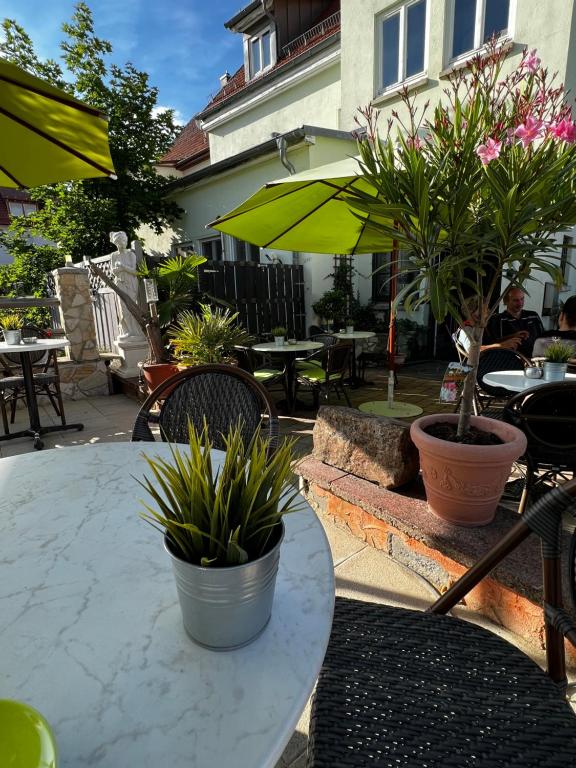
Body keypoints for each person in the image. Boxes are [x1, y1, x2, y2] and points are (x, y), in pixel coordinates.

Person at [485, 286, 544, 358]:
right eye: (515, 300)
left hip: (535, 359)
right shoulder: (498, 319)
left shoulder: (533, 316)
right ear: (506, 301)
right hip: (510, 360)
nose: (520, 303)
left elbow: (543, 337)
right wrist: (512, 337)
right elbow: (493, 344)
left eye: (522, 299)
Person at [456, 296, 524, 357]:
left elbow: (491, 343)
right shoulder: (466, 330)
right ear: (473, 313)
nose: (488, 311)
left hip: (492, 360)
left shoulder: (480, 327)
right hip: (482, 367)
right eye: (484, 309)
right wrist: (502, 345)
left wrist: (512, 336)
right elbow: (473, 351)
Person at [109, 231, 143, 339]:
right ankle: (127, 331)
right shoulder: (113, 255)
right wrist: (117, 269)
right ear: (116, 243)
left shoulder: (130, 254)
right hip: (120, 282)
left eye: (124, 241)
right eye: (120, 241)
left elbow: (134, 271)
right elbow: (112, 271)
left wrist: (123, 267)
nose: (123, 243)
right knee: (122, 308)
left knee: (132, 306)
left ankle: (137, 332)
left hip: (131, 283)